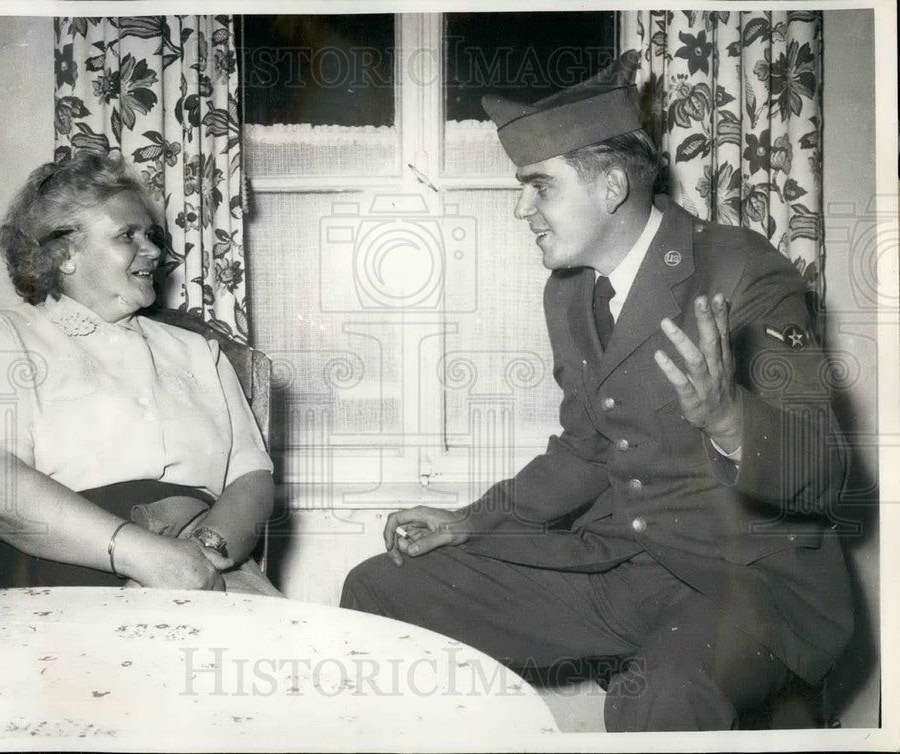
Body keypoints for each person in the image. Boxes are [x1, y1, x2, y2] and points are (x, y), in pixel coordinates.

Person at [340, 51, 853, 731]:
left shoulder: (747, 274)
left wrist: (731, 420)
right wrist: (474, 518)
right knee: (381, 588)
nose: (522, 208)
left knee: (652, 700)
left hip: (745, 579)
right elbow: (585, 448)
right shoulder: (570, 293)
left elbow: (828, 472)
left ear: (611, 186)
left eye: (539, 187)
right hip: (624, 565)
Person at [0, 150, 278, 596]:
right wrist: (142, 555)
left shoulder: (199, 352)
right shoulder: (2, 338)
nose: (154, 249)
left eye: (150, 234)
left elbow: (252, 477)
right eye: (127, 235)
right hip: (40, 570)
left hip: (204, 566)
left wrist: (201, 555)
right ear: (64, 254)